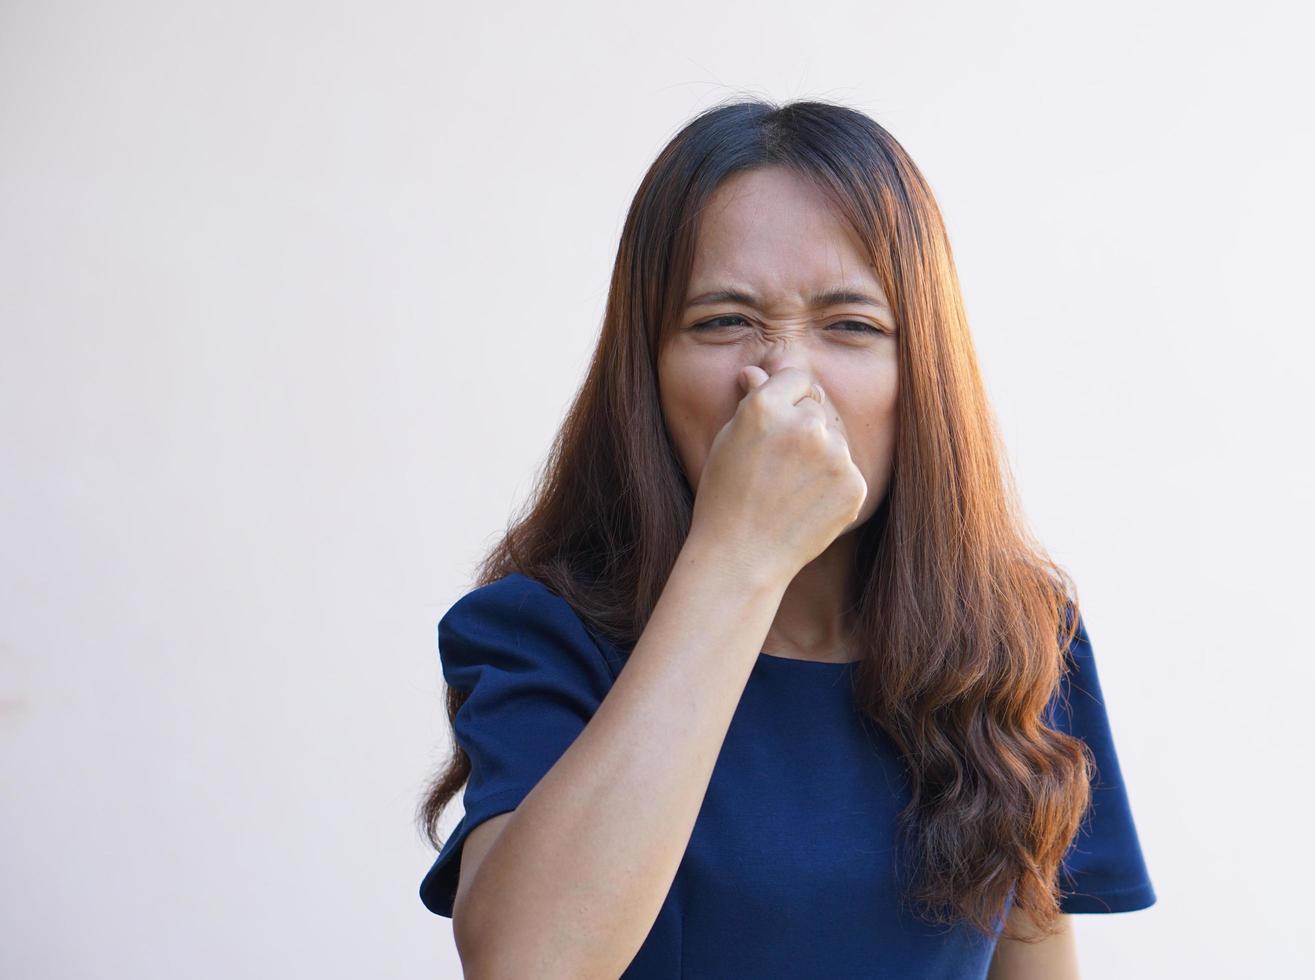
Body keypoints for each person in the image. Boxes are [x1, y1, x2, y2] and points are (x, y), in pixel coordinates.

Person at [416, 98, 1156, 979]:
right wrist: (740, 558)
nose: (786, 379)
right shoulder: (537, 634)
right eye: (723, 321)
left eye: (852, 326)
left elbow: (1032, 953)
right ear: (646, 372)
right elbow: (525, 964)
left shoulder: (1018, 635)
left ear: (921, 376)